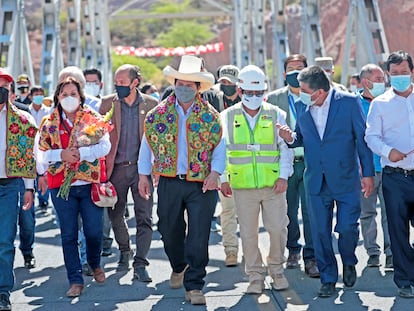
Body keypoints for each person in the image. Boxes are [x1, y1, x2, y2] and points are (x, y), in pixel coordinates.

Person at [278, 65, 374, 298]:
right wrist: (290, 138)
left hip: (345, 178)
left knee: (348, 229)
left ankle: (349, 261)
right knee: (320, 232)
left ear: (319, 91)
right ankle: (328, 278)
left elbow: (362, 140)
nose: (299, 93)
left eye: (303, 89)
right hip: (316, 181)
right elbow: (301, 136)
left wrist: (368, 174)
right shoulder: (302, 106)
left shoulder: (349, 103)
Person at [138, 55, 226, 305]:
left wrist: (215, 173)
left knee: (199, 234)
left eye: (190, 85)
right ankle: (179, 266)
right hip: (169, 180)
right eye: (180, 83)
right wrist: (144, 175)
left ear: (198, 88)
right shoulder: (157, 115)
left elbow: (220, 147)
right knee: (167, 229)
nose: (184, 89)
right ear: (174, 83)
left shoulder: (210, 116)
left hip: (202, 184)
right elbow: (147, 146)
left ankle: (195, 285)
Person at [220, 65, 293, 294]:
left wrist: (283, 176)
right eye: (249, 93)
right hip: (242, 186)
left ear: (265, 91)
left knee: (278, 229)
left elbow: (286, 147)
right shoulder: (227, 117)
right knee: (249, 233)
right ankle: (255, 276)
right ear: (239, 91)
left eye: (258, 93)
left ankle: (277, 270)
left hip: (273, 185)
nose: (254, 97)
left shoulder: (276, 113)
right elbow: (220, 150)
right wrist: (223, 178)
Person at [36, 77, 111, 298]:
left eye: (73, 94)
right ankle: (75, 279)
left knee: (94, 231)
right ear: (58, 97)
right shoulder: (49, 123)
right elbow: (39, 155)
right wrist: (61, 155)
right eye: (64, 94)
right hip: (61, 187)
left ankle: (95, 263)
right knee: (68, 234)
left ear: (81, 97)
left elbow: (104, 146)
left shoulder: (93, 120)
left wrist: (81, 154)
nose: (69, 98)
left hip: (88, 186)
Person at [99, 64, 158, 280]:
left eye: (123, 82)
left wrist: (156, 170)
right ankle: (125, 250)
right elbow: (97, 133)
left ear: (136, 82)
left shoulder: (152, 105)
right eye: (116, 82)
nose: (118, 86)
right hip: (116, 170)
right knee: (115, 214)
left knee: (145, 217)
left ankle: (141, 263)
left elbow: (158, 140)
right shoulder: (107, 104)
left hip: (142, 171)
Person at [365, 50, 414, 298]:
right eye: (394, 74)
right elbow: (370, 136)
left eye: (404, 73)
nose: (400, 78)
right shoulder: (380, 104)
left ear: (412, 72)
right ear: (388, 75)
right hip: (394, 177)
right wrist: (388, 151)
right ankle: (405, 281)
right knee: (398, 229)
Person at [267, 54, 319, 278]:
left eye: (300, 68)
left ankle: (311, 256)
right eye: (291, 68)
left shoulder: (317, 98)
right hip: (285, 164)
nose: (295, 72)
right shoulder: (273, 99)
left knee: (312, 212)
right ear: (283, 73)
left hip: (310, 162)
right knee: (287, 211)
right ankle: (293, 250)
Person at [0, 68, 36, 310]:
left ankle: (2, 292)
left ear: (11, 93)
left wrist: (29, 188)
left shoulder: (23, 122)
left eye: (4, 87)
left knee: (4, 241)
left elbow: (29, 157)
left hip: (9, 185)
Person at [203, 64, 241, 265]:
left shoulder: (249, 102)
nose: (226, 86)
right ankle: (231, 250)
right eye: (223, 82)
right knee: (228, 209)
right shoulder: (213, 102)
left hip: (245, 165)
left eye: (230, 83)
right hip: (221, 164)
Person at [358, 64, 393, 269]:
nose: (384, 82)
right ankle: (372, 252)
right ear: (366, 82)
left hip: (388, 167)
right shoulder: (354, 104)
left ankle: (391, 252)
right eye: (379, 79)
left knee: (391, 213)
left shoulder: (389, 102)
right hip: (365, 170)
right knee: (367, 212)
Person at [83, 68, 113, 258]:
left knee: (100, 204)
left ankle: (105, 241)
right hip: (79, 166)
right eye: (86, 82)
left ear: (100, 84)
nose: (89, 86)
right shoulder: (73, 105)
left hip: (101, 163)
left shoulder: (103, 106)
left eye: (93, 82)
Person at [28, 86, 53, 213]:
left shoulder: (48, 111)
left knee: (43, 171)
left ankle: (43, 198)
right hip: (30, 145)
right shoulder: (26, 111)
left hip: (44, 145)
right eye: (36, 94)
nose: (39, 96)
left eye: (41, 94)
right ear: (31, 96)